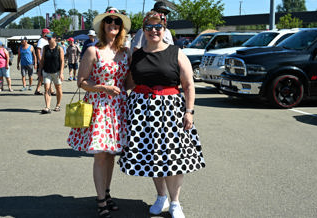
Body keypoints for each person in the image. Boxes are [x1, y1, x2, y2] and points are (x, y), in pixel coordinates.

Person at [118, 11, 205, 218]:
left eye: (158, 27)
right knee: (152, 157)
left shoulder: (176, 52)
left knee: (173, 157)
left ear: (164, 29)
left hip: (171, 111)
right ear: (144, 30)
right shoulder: (136, 54)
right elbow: (129, 83)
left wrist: (189, 112)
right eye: (149, 27)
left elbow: (189, 85)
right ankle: (160, 197)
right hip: (142, 112)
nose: (153, 31)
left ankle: (175, 202)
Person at [67, 7, 131, 218]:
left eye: (117, 22)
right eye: (109, 21)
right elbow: (82, 82)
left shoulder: (125, 52)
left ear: (121, 27)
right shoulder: (93, 51)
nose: (113, 24)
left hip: (119, 107)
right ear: (103, 25)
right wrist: (103, 88)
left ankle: (107, 192)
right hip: (100, 106)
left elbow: (128, 81)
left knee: (111, 155)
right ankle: (100, 199)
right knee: (101, 156)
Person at [37, 32, 64, 114]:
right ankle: (47, 107)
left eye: (49, 38)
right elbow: (42, 60)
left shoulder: (59, 48)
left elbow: (62, 61)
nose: (48, 40)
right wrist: (39, 70)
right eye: (47, 38)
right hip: (46, 71)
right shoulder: (45, 48)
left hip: (56, 72)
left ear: (54, 38)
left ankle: (58, 105)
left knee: (58, 88)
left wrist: (61, 73)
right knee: (47, 89)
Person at [34, 28, 55, 96]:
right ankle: (51, 90)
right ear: (44, 34)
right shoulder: (41, 40)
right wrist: (40, 61)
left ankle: (38, 90)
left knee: (44, 77)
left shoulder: (46, 41)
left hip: (47, 61)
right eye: (48, 33)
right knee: (47, 76)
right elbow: (38, 50)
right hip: (43, 61)